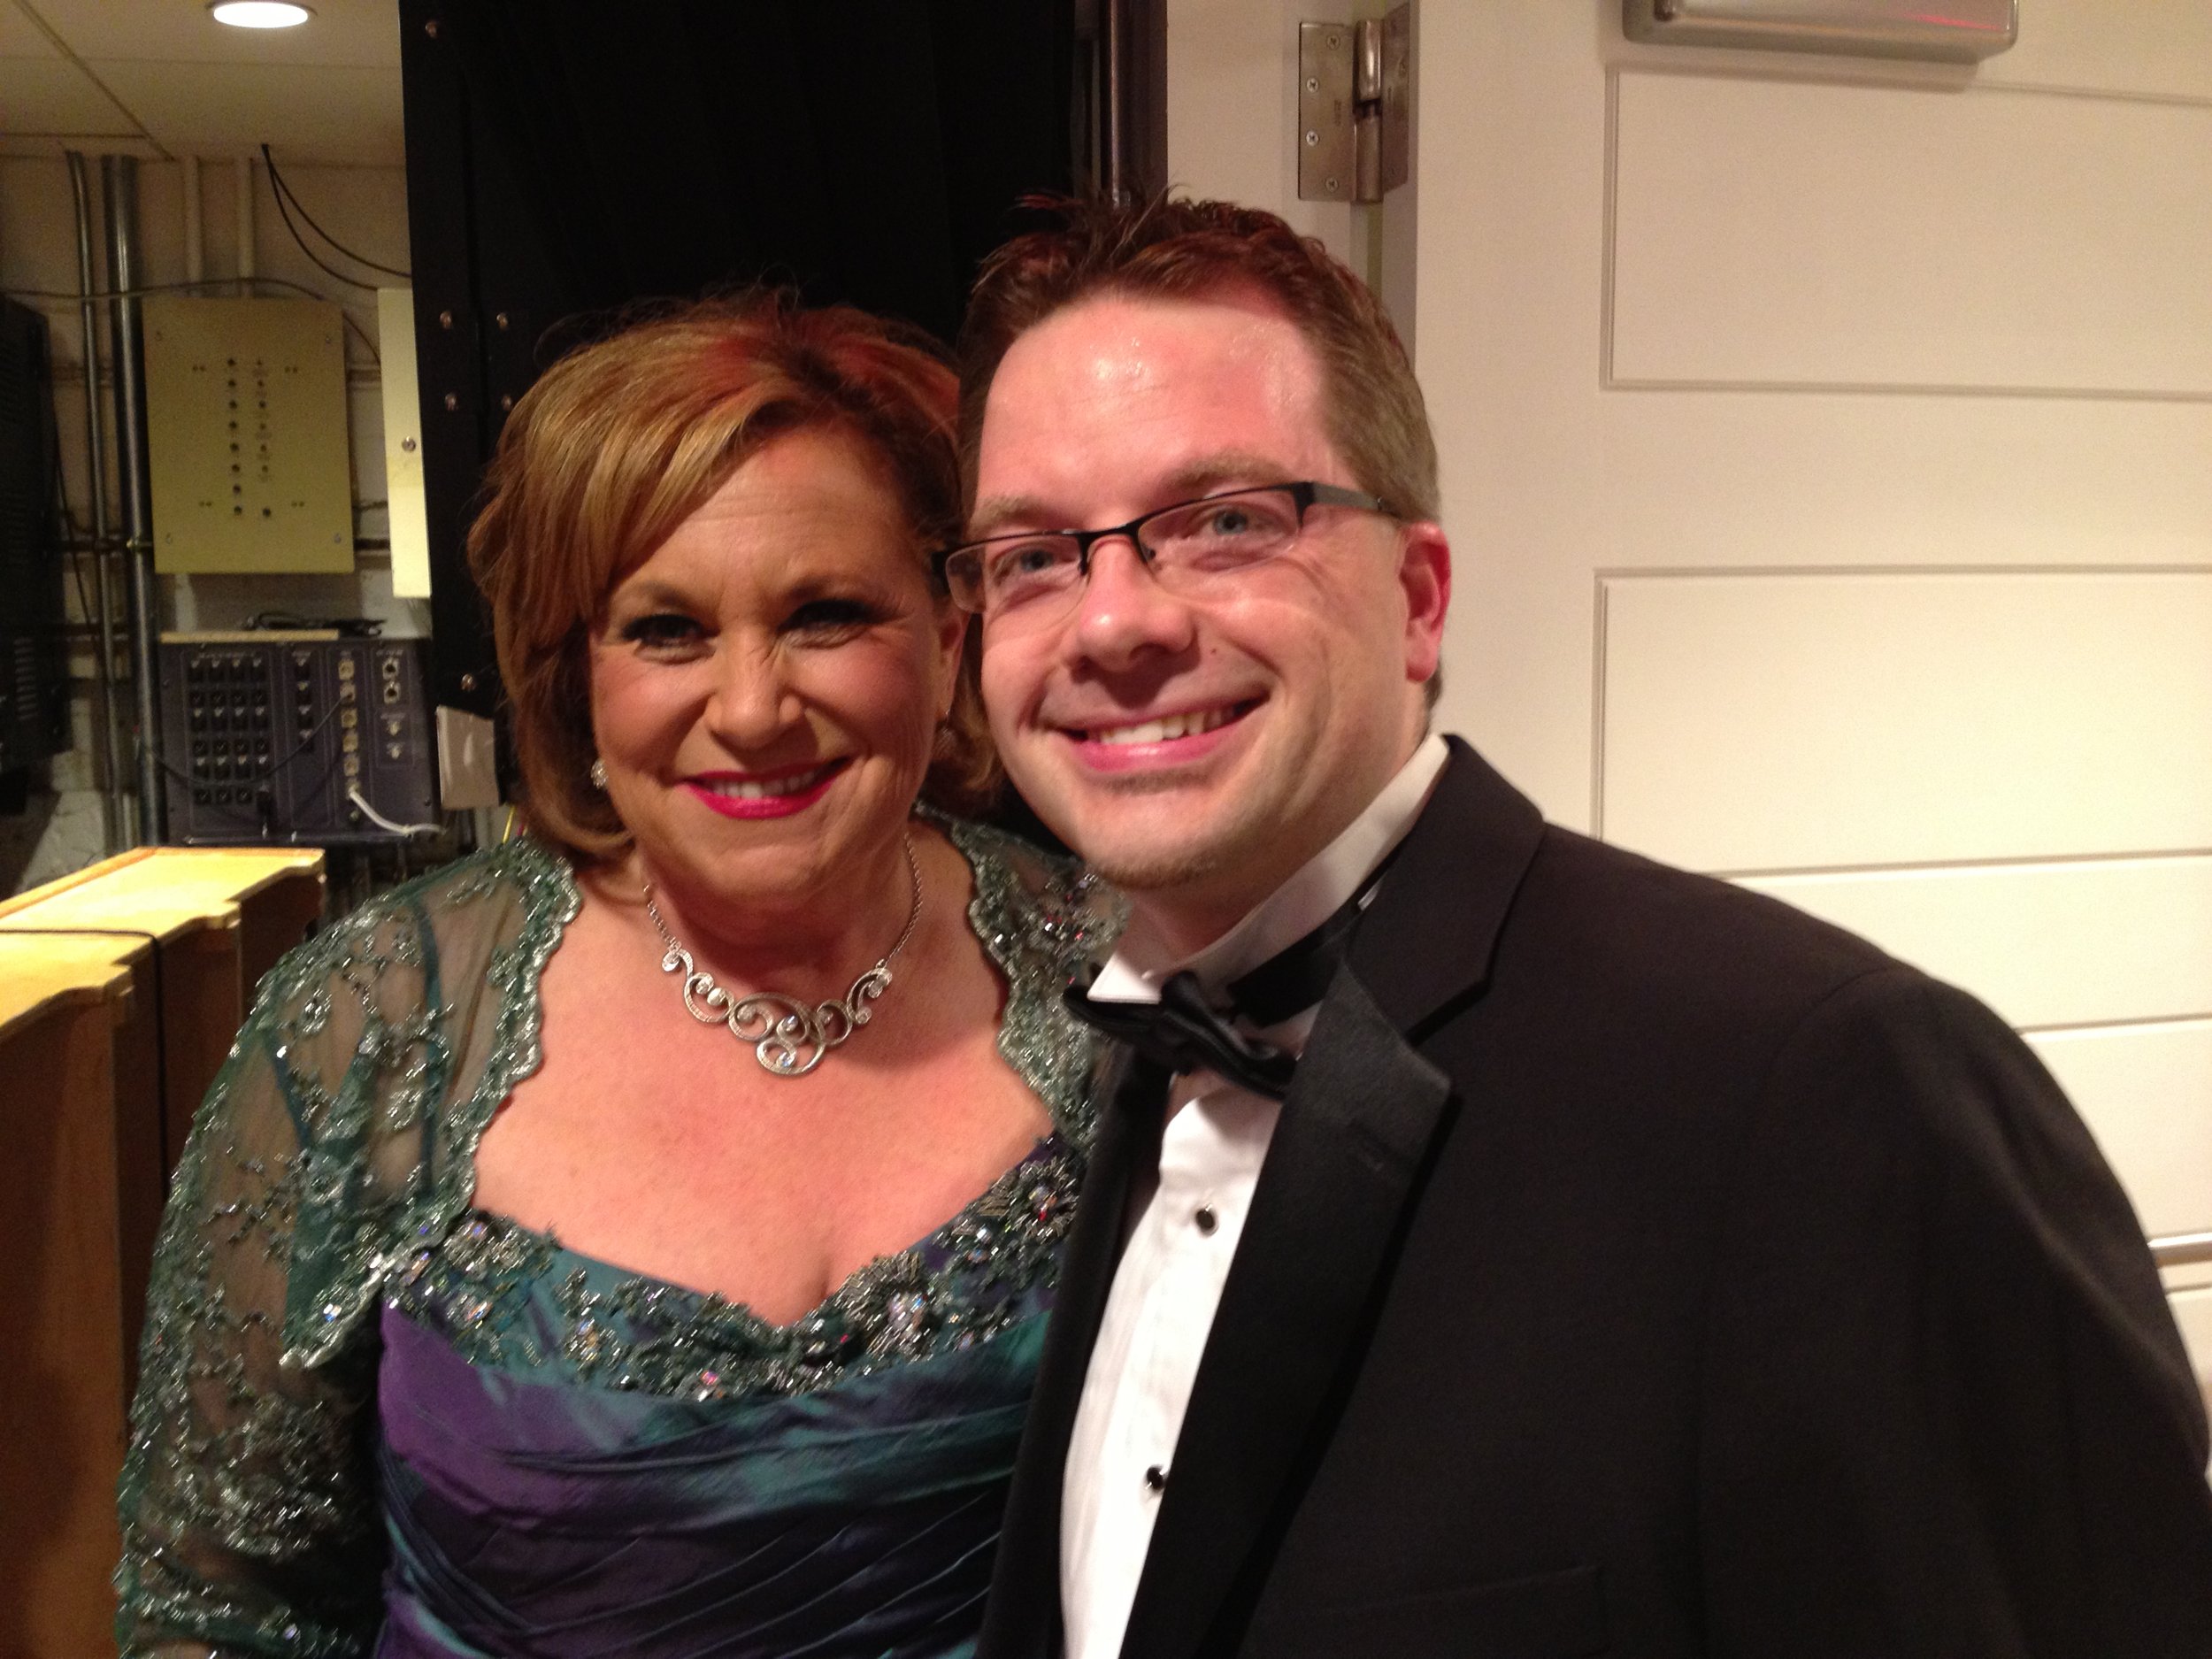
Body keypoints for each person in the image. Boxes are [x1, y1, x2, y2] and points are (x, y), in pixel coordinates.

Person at [948, 196, 2212, 1659]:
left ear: (1419, 601)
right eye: (1033, 557)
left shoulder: (1830, 1090)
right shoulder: (1121, 1048)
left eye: (1224, 523)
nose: (1111, 624)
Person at [114, 295, 1121, 1658]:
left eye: (827, 614)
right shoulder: (375, 1029)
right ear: (574, 675)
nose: (755, 705)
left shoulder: (1117, 984)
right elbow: (216, 1607)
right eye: (665, 630)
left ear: (949, 642)